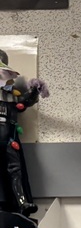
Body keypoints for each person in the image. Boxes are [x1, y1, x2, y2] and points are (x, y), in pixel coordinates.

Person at [0, 49, 48, 217]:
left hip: (9, 138)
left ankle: (22, 202)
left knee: (15, 170)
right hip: (7, 138)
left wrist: (35, 89)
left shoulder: (12, 96)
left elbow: (26, 102)